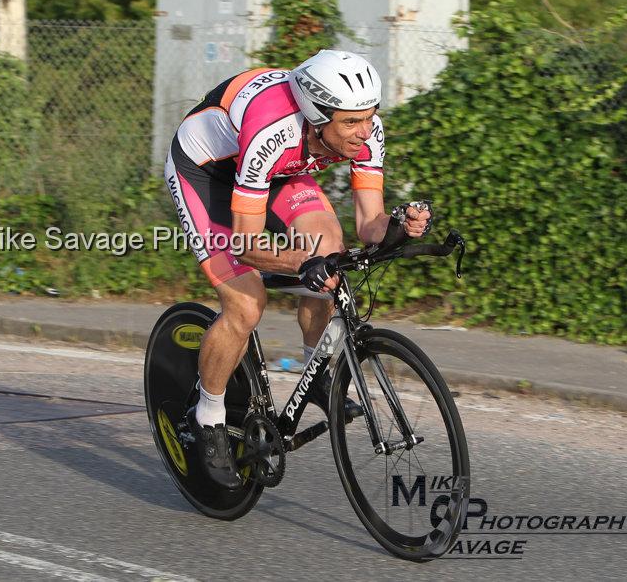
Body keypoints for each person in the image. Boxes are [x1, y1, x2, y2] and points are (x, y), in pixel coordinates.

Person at [164, 50, 432, 488]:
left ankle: (317, 373)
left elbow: (369, 225)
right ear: (316, 114)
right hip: (207, 173)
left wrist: (401, 227)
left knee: (331, 249)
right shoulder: (272, 129)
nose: (365, 132)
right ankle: (207, 418)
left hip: (280, 174)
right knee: (246, 304)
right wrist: (299, 261)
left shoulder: (367, 130)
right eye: (351, 122)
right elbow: (247, 245)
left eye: (370, 117)